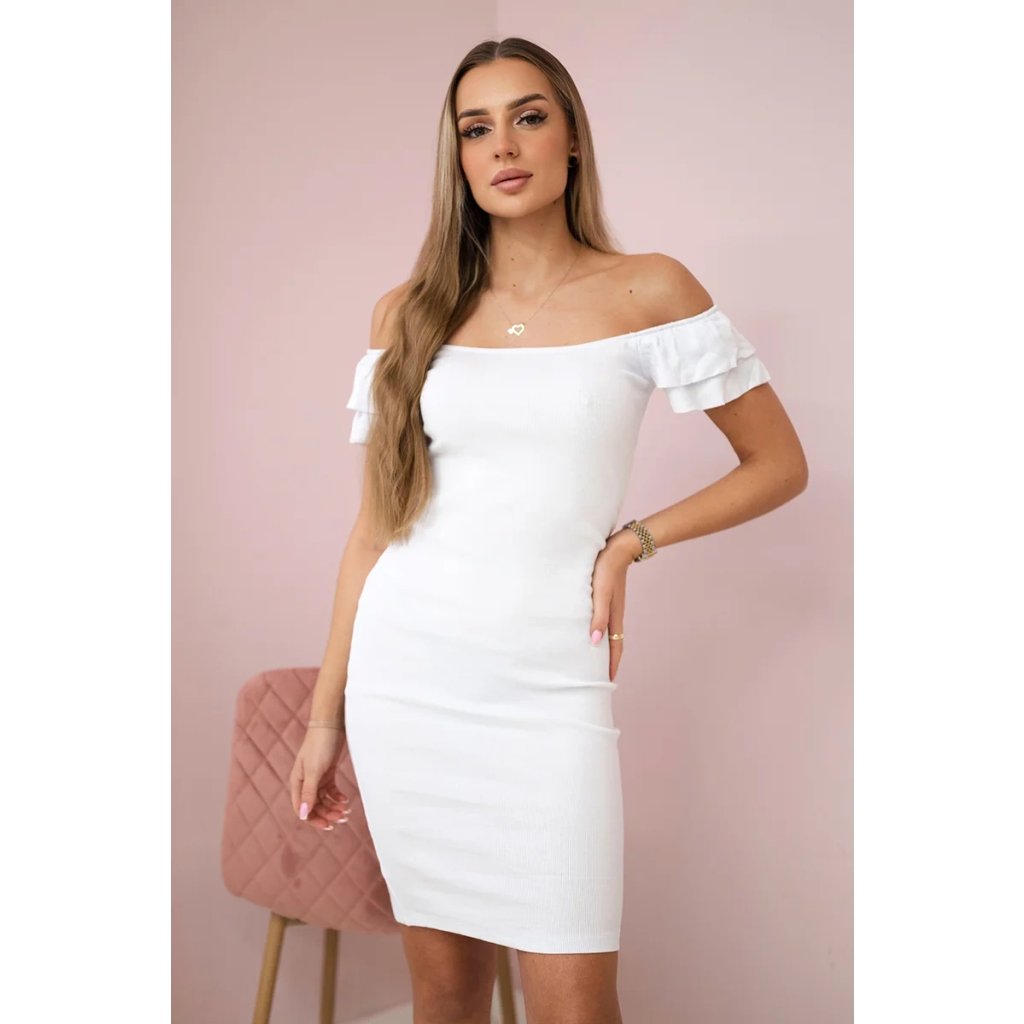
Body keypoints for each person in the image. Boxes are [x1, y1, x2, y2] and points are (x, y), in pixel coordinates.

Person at [289, 36, 808, 1024]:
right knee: (446, 995)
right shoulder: (408, 314)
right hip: (410, 683)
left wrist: (632, 542)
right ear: (456, 157)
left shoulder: (648, 291)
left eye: (528, 116)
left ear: (571, 137)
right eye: (474, 128)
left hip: (548, 690)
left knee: (577, 1006)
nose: (503, 145)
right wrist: (325, 719)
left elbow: (779, 465)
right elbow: (371, 533)